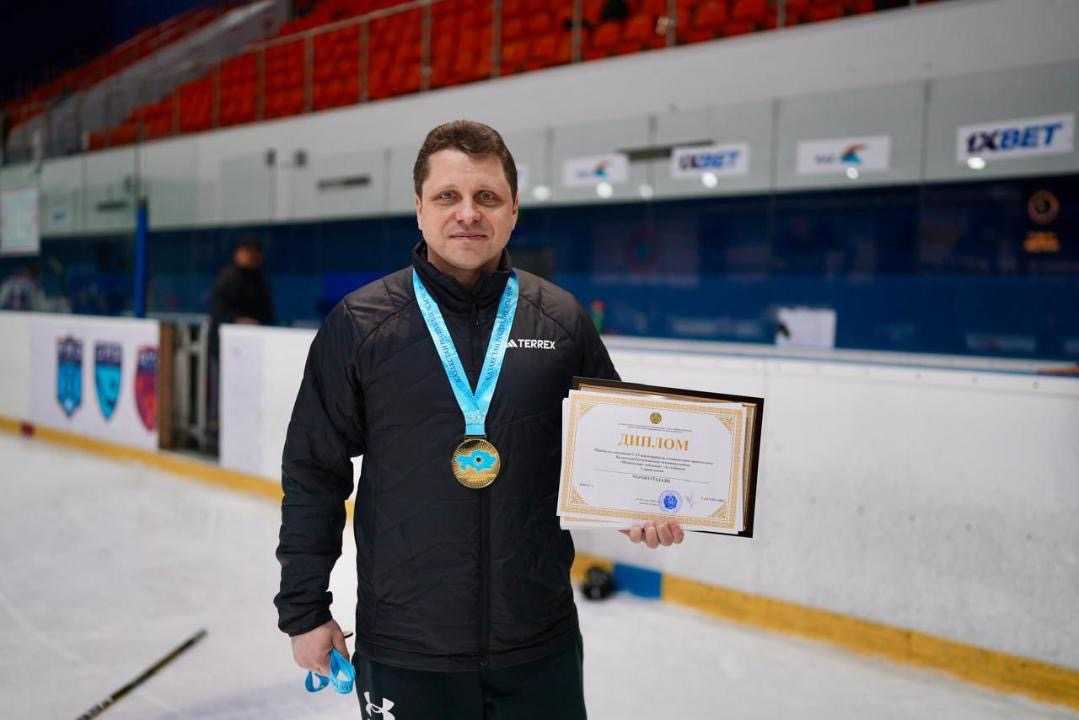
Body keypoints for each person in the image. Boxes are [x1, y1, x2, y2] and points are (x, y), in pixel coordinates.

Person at [274, 120, 683, 719]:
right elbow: (314, 471)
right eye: (448, 196)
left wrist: (642, 505)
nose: (468, 213)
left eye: (486, 197)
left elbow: (616, 449)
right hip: (407, 648)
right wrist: (304, 610)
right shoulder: (361, 326)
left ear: (513, 211)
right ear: (419, 208)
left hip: (537, 645)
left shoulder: (560, 320)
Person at [207, 238, 275, 441]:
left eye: (254, 252)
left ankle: (241, 432)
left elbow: (267, 313)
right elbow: (219, 312)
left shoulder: (259, 281)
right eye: (247, 251)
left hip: (250, 350)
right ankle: (216, 432)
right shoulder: (228, 279)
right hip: (224, 349)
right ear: (238, 253)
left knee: (245, 394)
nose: (251, 256)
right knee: (223, 391)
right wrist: (237, 320)